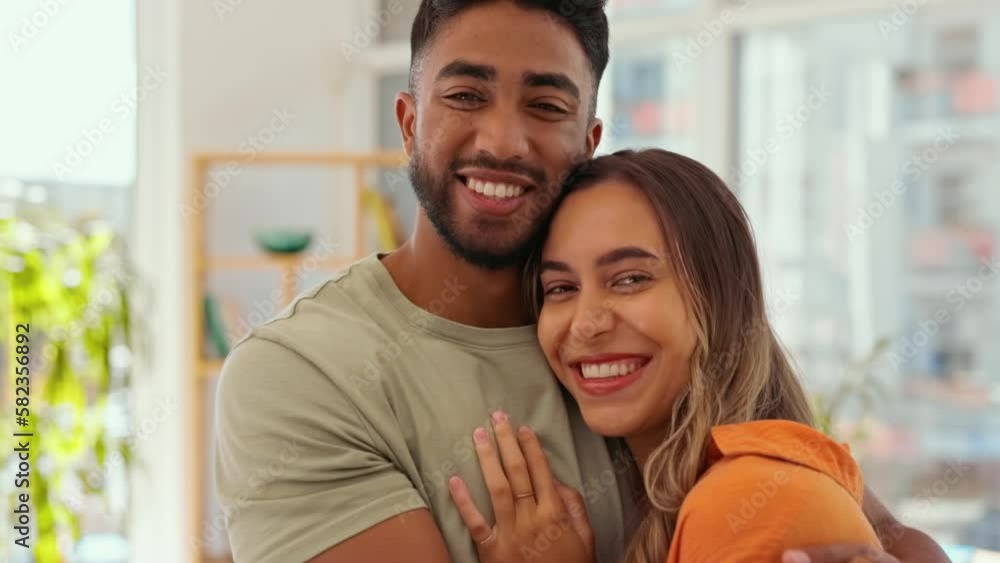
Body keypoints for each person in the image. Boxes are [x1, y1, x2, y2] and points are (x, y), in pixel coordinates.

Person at [212, 2, 951, 562]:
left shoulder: (646, 330)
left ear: (588, 138)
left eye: (546, 104)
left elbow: (889, 533)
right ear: (407, 124)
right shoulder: (299, 377)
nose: (502, 140)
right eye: (467, 96)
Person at [446, 148, 924, 562]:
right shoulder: (719, 486)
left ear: (721, 298)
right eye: (561, 287)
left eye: (631, 278)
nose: (586, 324)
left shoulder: (744, 501)